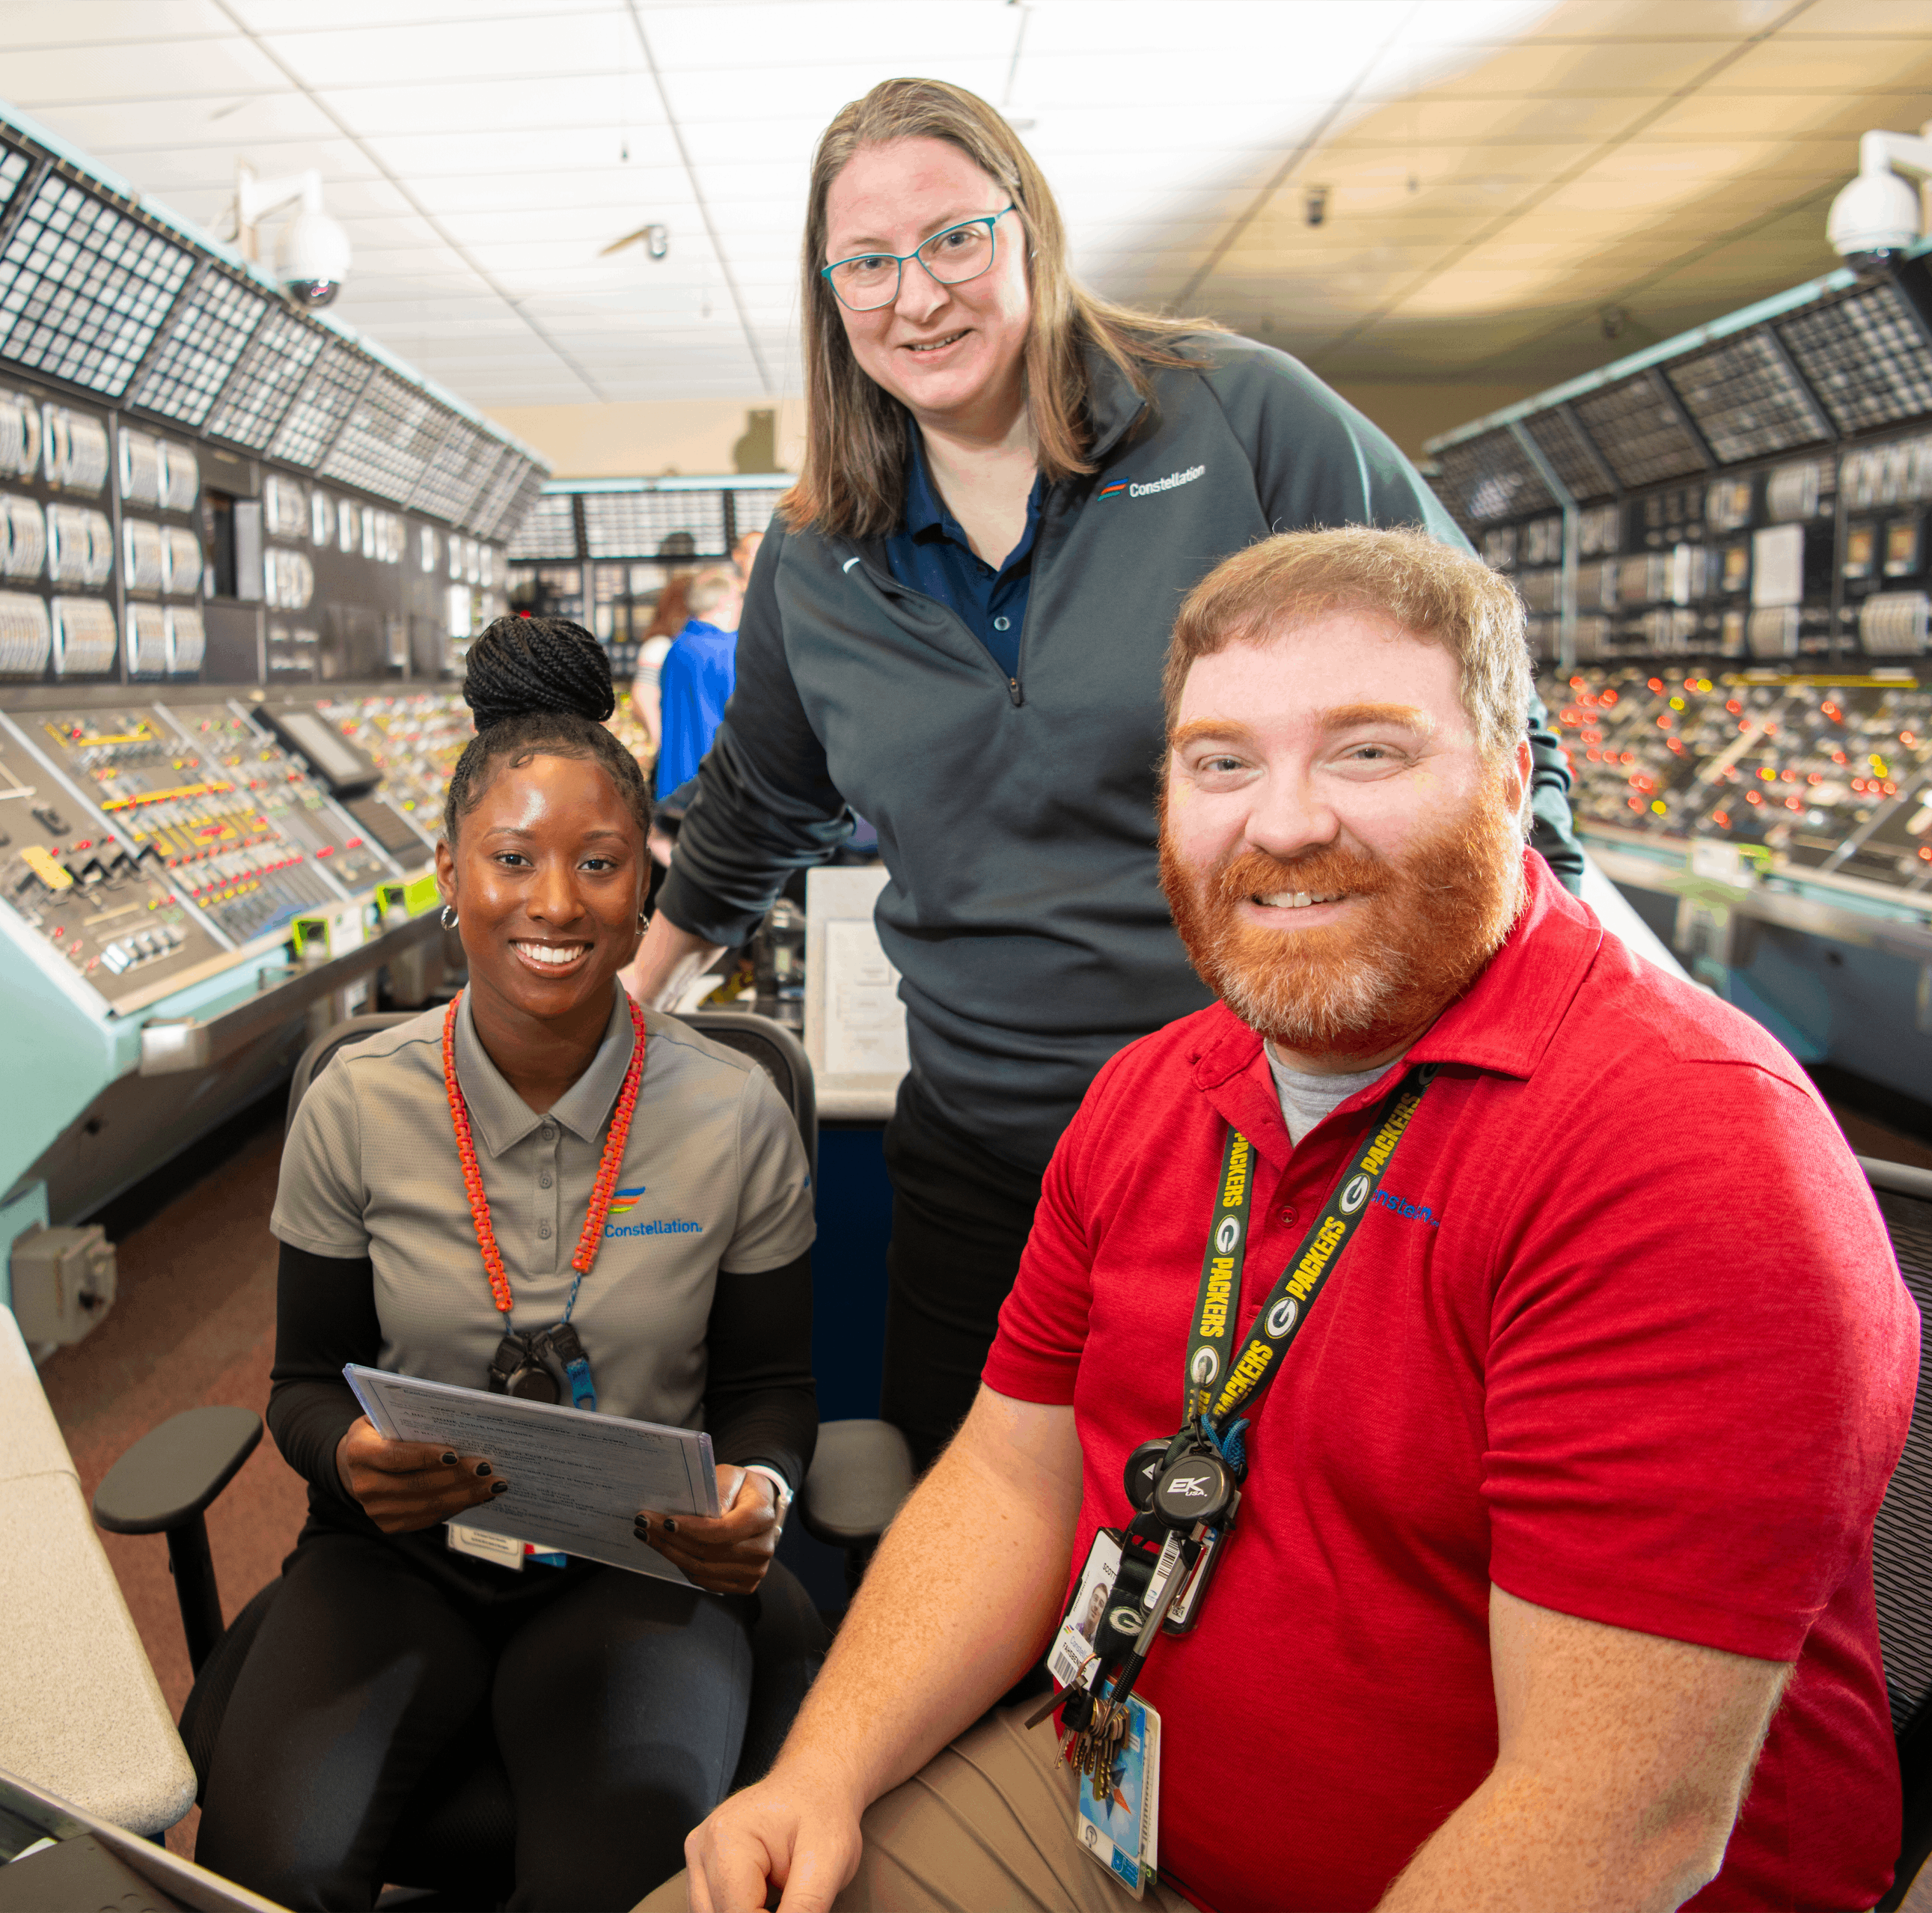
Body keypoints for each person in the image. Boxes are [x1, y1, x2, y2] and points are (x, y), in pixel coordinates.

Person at [655, 528, 1919, 1913]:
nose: (1282, 822)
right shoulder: (1150, 1092)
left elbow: (1616, 1825)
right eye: (1220, 762)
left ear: (1505, 783)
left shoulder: (1687, 1154)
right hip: (1103, 1807)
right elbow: (1015, 1478)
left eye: (1366, 752)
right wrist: (818, 1772)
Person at [627, 78, 1586, 1471]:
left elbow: (1485, 692)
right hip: (980, 1155)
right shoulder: (812, 553)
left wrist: (1560, 999)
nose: (918, 295)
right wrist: (626, 997)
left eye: (955, 238)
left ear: (1028, 231)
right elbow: (758, 804)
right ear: (828, 293)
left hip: (1278, 1144)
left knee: (1267, 1577)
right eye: (868, 264)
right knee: (968, 1546)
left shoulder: (1237, 416)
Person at [198, 616, 819, 1913]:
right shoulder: (357, 1101)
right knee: (269, 1872)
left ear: (643, 883)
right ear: (447, 873)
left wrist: (755, 1491)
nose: (553, 903)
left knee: (626, 1875)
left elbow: (768, 1390)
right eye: (512, 859)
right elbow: (305, 1382)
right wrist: (347, 1457)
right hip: (396, 1556)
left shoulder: (732, 1110)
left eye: (597, 863)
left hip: (642, 1567)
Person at [653, 565, 745, 799]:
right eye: (740, 596)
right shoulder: (729, 651)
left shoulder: (677, 648)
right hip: (717, 789)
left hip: (674, 786)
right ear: (725, 601)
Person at [630, 572, 697, 757]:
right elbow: (643, 696)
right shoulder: (660, 645)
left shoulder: (669, 643)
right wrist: (662, 742)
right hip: (676, 751)